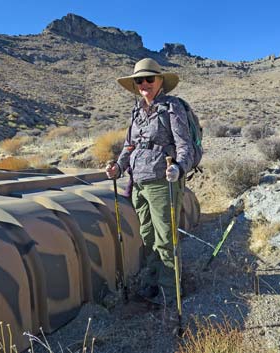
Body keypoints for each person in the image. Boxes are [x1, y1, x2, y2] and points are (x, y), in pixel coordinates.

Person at [105, 58, 193, 306]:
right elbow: (129, 146)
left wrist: (179, 167)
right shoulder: (136, 112)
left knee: (166, 238)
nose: (144, 84)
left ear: (160, 81)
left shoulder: (172, 107)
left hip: (162, 182)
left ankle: (169, 291)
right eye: (139, 80)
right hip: (138, 183)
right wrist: (119, 166)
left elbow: (184, 145)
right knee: (148, 237)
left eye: (149, 79)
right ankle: (152, 282)